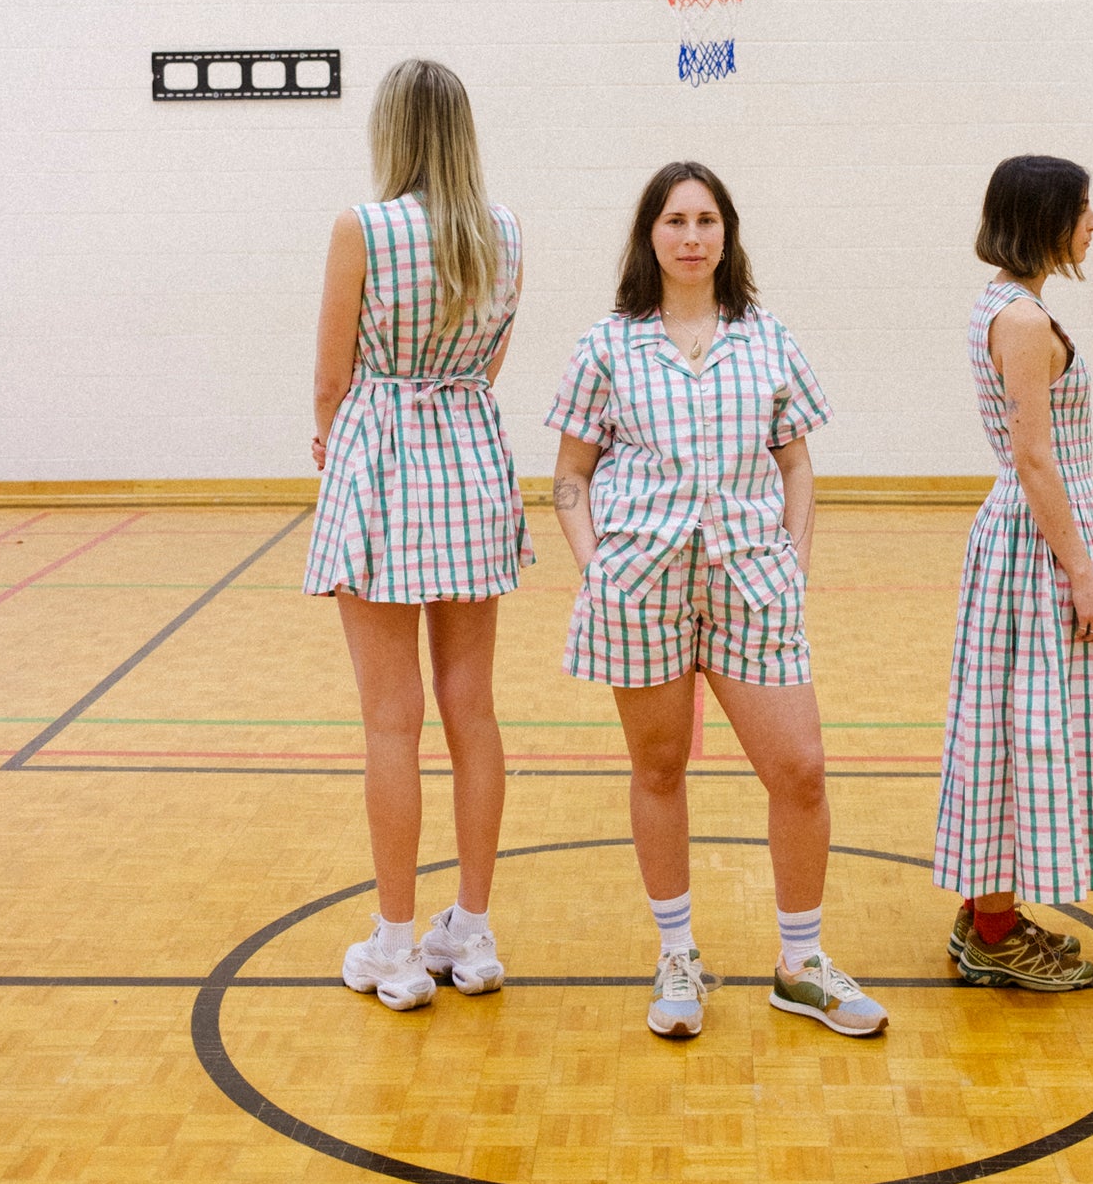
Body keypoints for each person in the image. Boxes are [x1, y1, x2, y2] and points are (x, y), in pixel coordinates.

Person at [547, 162, 887, 1042]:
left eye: (705, 220)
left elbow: (796, 462)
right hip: (641, 588)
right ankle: (676, 955)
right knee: (659, 770)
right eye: (674, 220)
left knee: (799, 770)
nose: (691, 236)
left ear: (726, 233)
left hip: (752, 583)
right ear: (648, 236)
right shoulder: (607, 346)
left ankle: (800, 963)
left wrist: (795, 556)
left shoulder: (765, 338)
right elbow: (570, 478)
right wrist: (598, 570)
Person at [304, 59, 532, 1011]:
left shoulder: (363, 226)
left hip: (384, 460)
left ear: (390, 130)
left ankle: (395, 949)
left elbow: (331, 374)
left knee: (389, 719)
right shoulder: (505, 235)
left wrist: (332, 443)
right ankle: (470, 936)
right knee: (469, 709)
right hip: (472, 460)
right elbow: (490, 364)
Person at [936, 154, 1093, 990]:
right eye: (1084, 210)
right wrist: (1084, 576)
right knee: (1013, 732)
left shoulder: (1006, 304)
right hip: (1035, 545)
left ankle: (989, 913)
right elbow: (1034, 460)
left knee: (1010, 727)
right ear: (1045, 217)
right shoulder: (1021, 321)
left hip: (1028, 540)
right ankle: (991, 931)